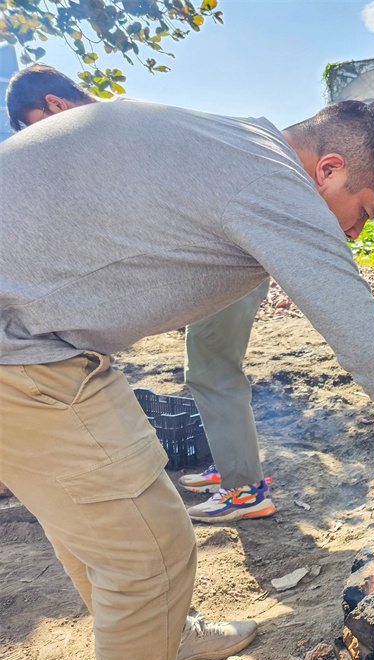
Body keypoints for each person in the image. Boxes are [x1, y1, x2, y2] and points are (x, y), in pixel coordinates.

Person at [0, 95, 374, 660]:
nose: (357, 235)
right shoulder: (273, 179)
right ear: (329, 170)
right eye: (364, 213)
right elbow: (362, 333)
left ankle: (164, 637)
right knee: (144, 553)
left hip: (59, 342)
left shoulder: (233, 148)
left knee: (137, 522)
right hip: (19, 350)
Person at [6, 63, 275, 523]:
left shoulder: (113, 132)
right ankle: (231, 465)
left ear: (56, 105)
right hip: (218, 259)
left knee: (213, 374)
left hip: (226, 259)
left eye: (38, 131)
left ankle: (246, 491)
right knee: (203, 370)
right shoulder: (124, 124)